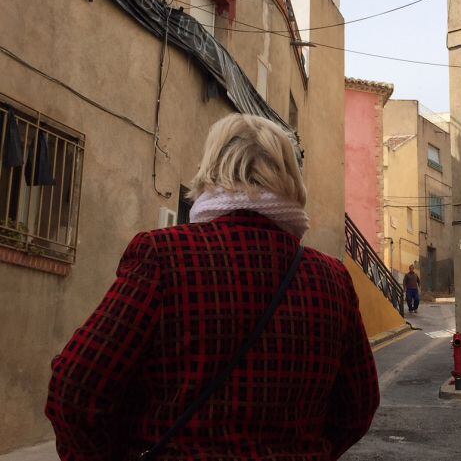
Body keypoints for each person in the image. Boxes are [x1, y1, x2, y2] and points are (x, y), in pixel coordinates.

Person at [45, 114, 380, 461]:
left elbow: (75, 388)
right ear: (289, 177)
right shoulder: (332, 279)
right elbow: (358, 406)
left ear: (213, 168)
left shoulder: (164, 256)